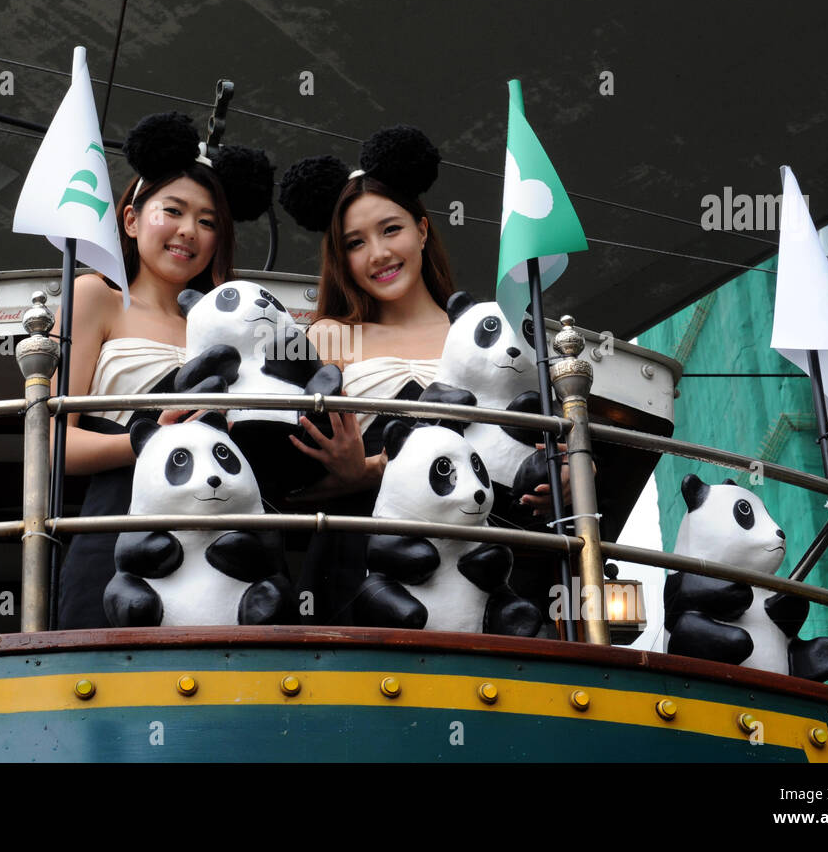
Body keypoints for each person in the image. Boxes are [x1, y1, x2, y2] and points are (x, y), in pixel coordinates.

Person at [277, 126, 568, 627]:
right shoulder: (327, 337)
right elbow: (282, 484)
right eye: (355, 242)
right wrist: (353, 474)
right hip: (366, 558)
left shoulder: (484, 330)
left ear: (423, 229)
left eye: (391, 230)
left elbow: (552, 445)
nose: (379, 254)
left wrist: (561, 479)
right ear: (340, 256)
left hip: (488, 554)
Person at [55, 112, 271, 629]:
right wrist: (148, 439)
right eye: (172, 211)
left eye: (207, 220)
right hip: (119, 529)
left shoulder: (236, 326)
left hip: (228, 542)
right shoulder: (96, 297)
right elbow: (49, 444)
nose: (187, 231)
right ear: (131, 220)